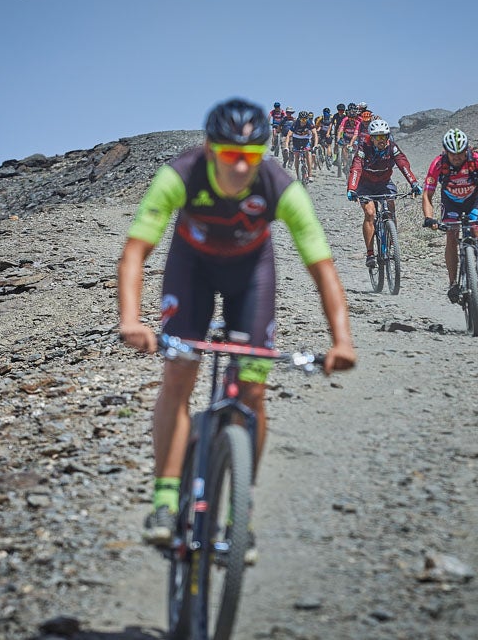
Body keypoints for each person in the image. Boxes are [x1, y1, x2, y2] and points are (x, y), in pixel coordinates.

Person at [118, 98, 357, 555]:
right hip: (192, 270)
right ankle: (166, 500)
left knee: (252, 392)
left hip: (250, 276)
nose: (240, 167)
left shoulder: (280, 186)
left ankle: (237, 517)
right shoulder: (180, 174)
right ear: (209, 150)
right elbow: (135, 252)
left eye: (251, 156)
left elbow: (323, 268)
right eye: (230, 155)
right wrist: (131, 319)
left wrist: (342, 341)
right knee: (180, 373)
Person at [421, 128, 478, 303]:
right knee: (451, 237)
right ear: (445, 151)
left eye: (460, 153)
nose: (456, 158)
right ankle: (453, 283)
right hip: (451, 202)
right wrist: (429, 218)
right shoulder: (438, 164)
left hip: (473, 202)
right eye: (452, 154)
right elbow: (427, 194)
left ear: (467, 150)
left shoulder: (477, 161)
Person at [345, 119, 422, 267]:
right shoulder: (363, 148)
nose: (382, 140)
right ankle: (370, 253)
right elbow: (356, 168)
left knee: (390, 207)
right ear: (371, 138)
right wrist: (352, 188)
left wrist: (414, 183)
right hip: (365, 185)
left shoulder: (392, 148)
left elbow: (403, 164)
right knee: (370, 213)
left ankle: (393, 243)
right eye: (378, 137)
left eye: (384, 136)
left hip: (384, 183)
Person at [285, 110, 317, 181]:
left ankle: (310, 174)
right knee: (296, 155)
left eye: (305, 119)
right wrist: (286, 147)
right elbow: (288, 136)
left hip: (306, 139)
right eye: (302, 119)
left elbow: (315, 134)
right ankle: (298, 176)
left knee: (308, 153)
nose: (303, 121)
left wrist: (315, 145)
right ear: (299, 119)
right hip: (296, 139)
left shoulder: (309, 123)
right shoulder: (295, 123)